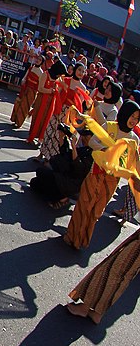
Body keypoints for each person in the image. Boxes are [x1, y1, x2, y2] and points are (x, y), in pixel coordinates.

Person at [63, 101, 140, 249]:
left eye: (137, 118)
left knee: (96, 211)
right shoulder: (110, 126)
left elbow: (131, 162)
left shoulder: (134, 139)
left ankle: (82, 241)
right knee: (84, 204)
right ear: (124, 114)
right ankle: (71, 236)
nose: (133, 120)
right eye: (132, 116)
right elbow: (92, 142)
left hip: (112, 180)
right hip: (96, 173)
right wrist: (106, 150)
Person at [37, 61, 89, 162]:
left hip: (69, 114)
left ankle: (50, 159)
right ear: (74, 70)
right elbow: (58, 92)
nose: (80, 73)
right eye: (79, 70)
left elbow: (79, 104)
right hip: (58, 108)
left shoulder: (82, 87)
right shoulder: (65, 80)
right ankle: (41, 153)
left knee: (58, 136)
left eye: (83, 71)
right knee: (49, 131)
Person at [9, 54, 43, 128]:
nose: (38, 61)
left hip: (32, 92)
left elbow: (40, 84)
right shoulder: (31, 68)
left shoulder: (41, 73)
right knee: (18, 103)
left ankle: (19, 123)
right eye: (38, 59)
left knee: (25, 107)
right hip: (25, 89)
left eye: (40, 60)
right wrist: (23, 80)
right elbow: (25, 76)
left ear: (42, 62)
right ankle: (14, 119)